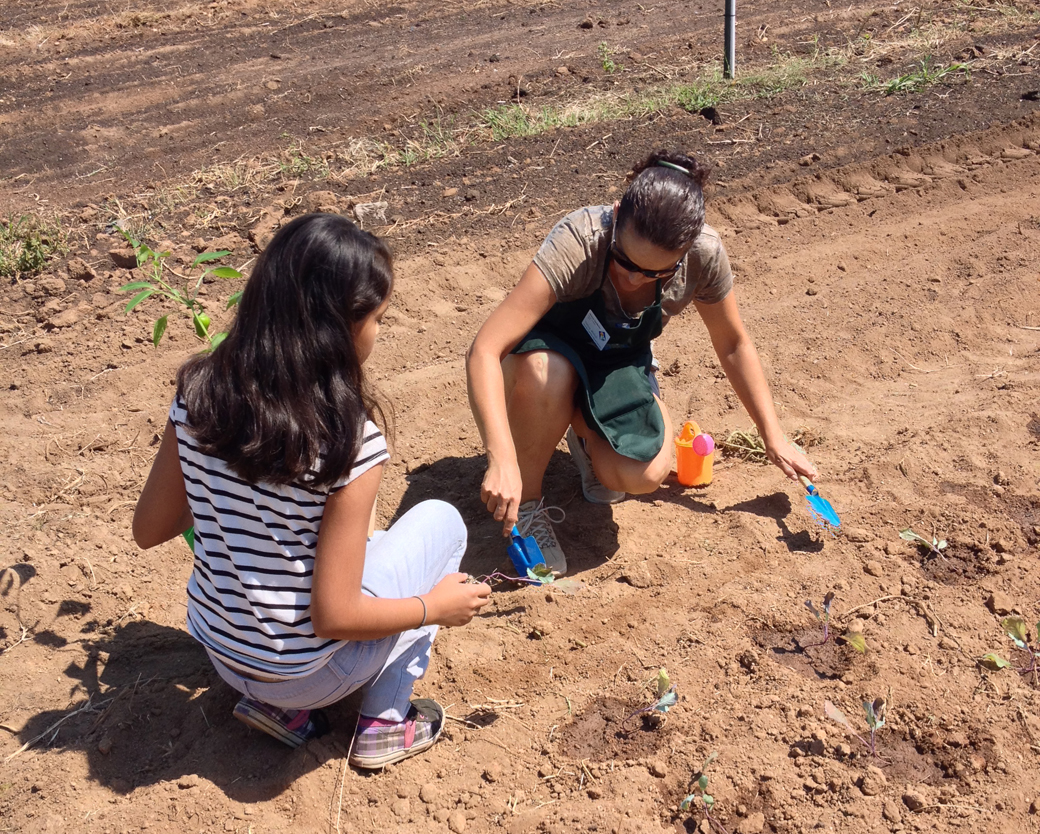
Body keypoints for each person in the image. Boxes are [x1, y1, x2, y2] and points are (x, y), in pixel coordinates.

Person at [132, 213, 491, 766]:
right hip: (305, 671)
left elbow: (150, 528)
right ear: (342, 327)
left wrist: (237, 517)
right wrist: (431, 607)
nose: (377, 332)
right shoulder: (348, 439)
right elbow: (333, 616)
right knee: (441, 522)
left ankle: (283, 714)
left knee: (349, 552)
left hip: (225, 657)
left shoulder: (199, 394)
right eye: (378, 319)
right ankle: (384, 723)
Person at [466, 150, 817, 576]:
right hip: (547, 354)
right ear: (616, 216)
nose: (633, 279)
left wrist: (773, 434)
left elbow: (732, 344)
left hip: (618, 359)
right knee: (547, 373)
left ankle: (583, 431)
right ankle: (529, 506)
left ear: (685, 253)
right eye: (625, 262)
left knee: (644, 474)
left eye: (654, 273)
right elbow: (485, 348)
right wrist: (501, 459)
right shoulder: (580, 241)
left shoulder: (704, 255)